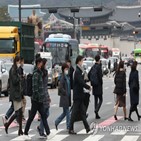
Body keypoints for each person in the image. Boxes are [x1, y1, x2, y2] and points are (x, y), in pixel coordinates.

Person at [24, 58, 50, 139]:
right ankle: (25, 133)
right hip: (36, 100)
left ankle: (48, 132)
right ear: (39, 63)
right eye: (41, 63)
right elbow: (35, 88)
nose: (42, 65)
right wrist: (39, 97)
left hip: (39, 100)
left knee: (44, 116)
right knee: (32, 117)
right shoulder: (36, 74)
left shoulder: (39, 73)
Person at [69, 55, 91, 134]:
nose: (83, 62)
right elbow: (80, 82)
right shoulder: (77, 71)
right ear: (79, 61)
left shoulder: (80, 70)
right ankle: (70, 128)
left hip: (80, 95)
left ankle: (87, 128)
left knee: (82, 112)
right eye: (82, 61)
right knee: (74, 112)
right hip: (77, 95)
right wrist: (88, 87)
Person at [4, 56, 23, 136]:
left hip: (18, 93)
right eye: (18, 62)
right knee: (18, 112)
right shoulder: (13, 70)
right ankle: (8, 125)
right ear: (16, 61)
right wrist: (20, 77)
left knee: (20, 112)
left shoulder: (16, 70)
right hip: (15, 94)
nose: (20, 63)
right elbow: (15, 81)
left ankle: (20, 130)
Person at [37, 58, 51, 137]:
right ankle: (41, 130)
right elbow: (42, 86)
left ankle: (41, 128)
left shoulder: (44, 72)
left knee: (45, 113)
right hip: (43, 96)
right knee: (45, 113)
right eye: (45, 64)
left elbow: (45, 86)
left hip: (45, 95)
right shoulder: (41, 73)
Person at [55, 63, 71, 130]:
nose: (67, 70)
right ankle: (68, 125)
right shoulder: (62, 77)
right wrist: (65, 93)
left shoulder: (66, 77)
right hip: (64, 97)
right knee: (67, 112)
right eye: (66, 69)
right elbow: (60, 87)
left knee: (65, 112)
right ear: (64, 69)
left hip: (67, 97)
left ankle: (56, 122)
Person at [88, 55, 103, 119]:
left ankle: (96, 114)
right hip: (98, 85)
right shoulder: (99, 67)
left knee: (95, 99)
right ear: (99, 60)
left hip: (94, 85)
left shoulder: (93, 66)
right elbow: (100, 76)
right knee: (101, 99)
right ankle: (96, 110)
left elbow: (88, 74)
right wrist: (101, 82)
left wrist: (91, 80)